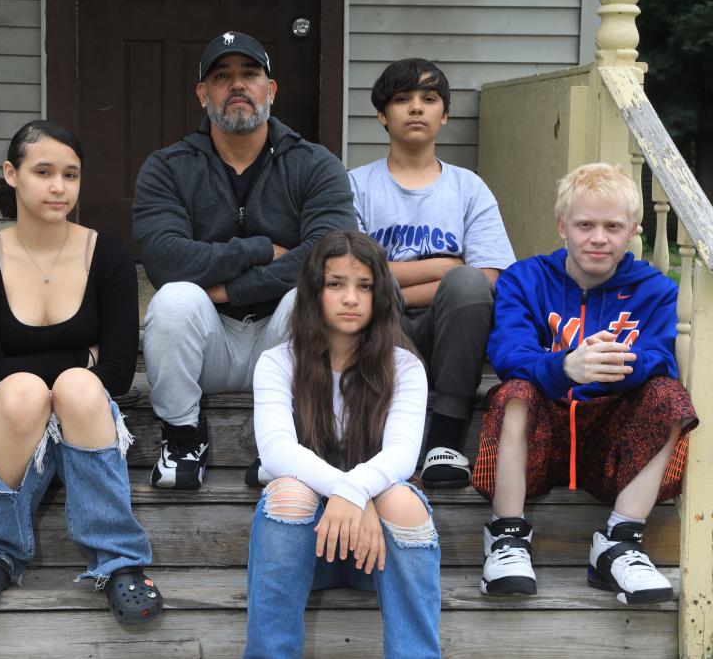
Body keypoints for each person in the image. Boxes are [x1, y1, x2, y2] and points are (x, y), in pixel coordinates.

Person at [0, 120, 161, 622]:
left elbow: (117, 373)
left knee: (80, 387)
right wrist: (75, 359)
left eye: (71, 174)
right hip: (4, 430)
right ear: (12, 174)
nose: (59, 187)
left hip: (84, 424)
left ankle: (120, 561)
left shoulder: (107, 256)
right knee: (23, 391)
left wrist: (71, 374)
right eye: (43, 171)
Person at [133, 30, 357, 490]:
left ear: (270, 90)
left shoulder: (314, 163)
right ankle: (181, 438)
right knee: (175, 299)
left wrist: (230, 287)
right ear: (203, 94)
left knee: (310, 296)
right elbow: (165, 261)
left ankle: (285, 440)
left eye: (250, 74)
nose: (237, 85)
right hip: (207, 342)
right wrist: (257, 249)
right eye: (221, 76)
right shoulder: (168, 166)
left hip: (283, 337)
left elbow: (329, 259)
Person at [472, 163, 697, 604]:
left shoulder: (656, 289)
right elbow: (508, 353)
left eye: (613, 226)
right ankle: (507, 536)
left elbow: (661, 357)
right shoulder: (525, 278)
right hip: (542, 437)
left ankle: (620, 541)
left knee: (670, 397)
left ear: (633, 230)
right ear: (562, 226)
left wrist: (615, 366)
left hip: (609, 441)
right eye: (585, 225)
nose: (598, 238)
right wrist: (567, 367)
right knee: (514, 391)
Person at [245, 231, 441, 658]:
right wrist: (354, 495)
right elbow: (277, 451)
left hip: (378, 556)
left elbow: (403, 457)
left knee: (402, 500)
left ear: (381, 295)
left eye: (364, 286)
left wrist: (357, 494)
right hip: (306, 548)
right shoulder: (278, 363)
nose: (350, 297)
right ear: (314, 291)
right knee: (291, 493)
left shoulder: (404, 367)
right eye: (336, 284)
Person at [348, 58, 516, 489]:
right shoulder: (355, 186)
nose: (417, 108)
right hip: (384, 329)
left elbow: (491, 277)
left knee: (468, 284)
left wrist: (394, 279)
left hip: (450, 339)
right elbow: (352, 275)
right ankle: (372, 438)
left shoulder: (468, 188)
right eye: (402, 100)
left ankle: (446, 437)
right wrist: (443, 267)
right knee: (372, 294)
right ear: (382, 116)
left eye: (429, 98)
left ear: (445, 114)